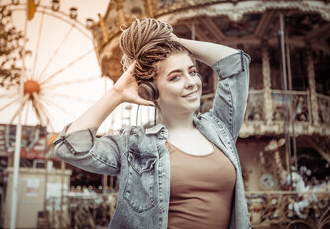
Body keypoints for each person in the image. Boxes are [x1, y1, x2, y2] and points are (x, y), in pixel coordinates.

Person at [54, 18, 251, 229]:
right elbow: (70, 147)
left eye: (192, 72)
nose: (192, 83)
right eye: (175, 77)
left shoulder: (220, 128)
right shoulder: (135, 146)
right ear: (151, 91)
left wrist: (175, 42)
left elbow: (234, 63)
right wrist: (116, 94)